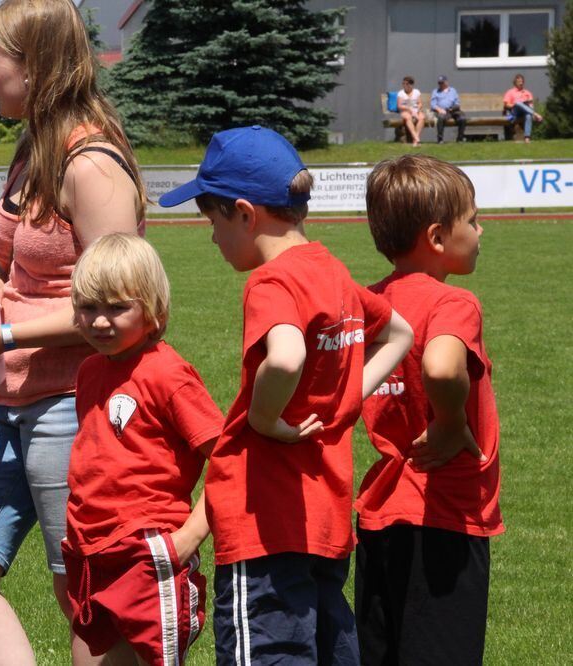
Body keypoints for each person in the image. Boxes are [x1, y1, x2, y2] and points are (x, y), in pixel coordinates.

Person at [0, 1, 147, 663]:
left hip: (73, 407)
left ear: (40, 67)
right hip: (6, 401)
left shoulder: (91, 164)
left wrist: (9, 338)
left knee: (86, 603)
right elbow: (13, 272)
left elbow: (125, 305)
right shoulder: (34, 147)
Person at [158, 126, 414, 666]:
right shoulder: (333, 272)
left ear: (246, 213)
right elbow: (400, 335)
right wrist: (346, 398)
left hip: (263, 521)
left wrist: (266, 417)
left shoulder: (272, 282)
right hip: (321, 518)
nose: (212, 240)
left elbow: (287, 356)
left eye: (214, 223)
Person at [356, 155, 504, 664]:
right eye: (474, 220)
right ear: (438, 237)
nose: (481, 231)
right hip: (447, 511)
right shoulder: (453, 303)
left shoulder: (368, 303)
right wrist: (449, 423)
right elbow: (441, 368)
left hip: (379, 513)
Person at [63, 233, 223, 665]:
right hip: (91, 548)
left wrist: (189, 536)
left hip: (148, 548)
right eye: (88, 307)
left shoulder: (169, 374)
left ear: (153, 311)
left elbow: (229, 458)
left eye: (117, 308)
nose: (99, 322)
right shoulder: (90, 371)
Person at [503, 74, 543, 143]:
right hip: (515, 112)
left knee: (528, 116)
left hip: (525, 112)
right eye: (519, 82)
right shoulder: (510, 92)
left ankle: (527, 138)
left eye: (522, 81)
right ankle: (536, 114)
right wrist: (515, 104)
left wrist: (527, 105)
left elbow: (530, 105)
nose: (521, 83)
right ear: (515, 83)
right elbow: (506, 105)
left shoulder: (527, 93)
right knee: (518, 103)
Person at [430, 75, 467, 144]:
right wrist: (439, 110)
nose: (440, 84)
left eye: (442, 83)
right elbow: (433, 105)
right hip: (442, 111)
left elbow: (457, 103)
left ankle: (460, 138)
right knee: (440, 118)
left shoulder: (453, 90)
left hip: (453, 110)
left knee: (462, 118)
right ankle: (440, 139)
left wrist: (453, 108)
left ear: (446, 82)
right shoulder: (435, 92)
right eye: (439, 83)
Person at [397, 76, 424, 146]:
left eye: (406, 84)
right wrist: (409, 110)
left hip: (416, 110)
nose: (404, 85)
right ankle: (416, 138)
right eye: (403, 83)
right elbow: (399, 105)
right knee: (408, 117)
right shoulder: (401, 93)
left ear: (411, 85)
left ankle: (415, 140)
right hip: (405, 111)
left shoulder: (416, 92)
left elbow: (420, 103)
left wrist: (417, 110)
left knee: (422, 117)